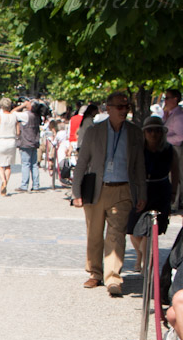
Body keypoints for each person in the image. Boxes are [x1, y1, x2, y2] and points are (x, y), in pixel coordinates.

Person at [72, 91, 146, 297]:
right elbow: (82, 163)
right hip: (97, 188)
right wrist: (76, 192)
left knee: (116, 235)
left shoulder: (134, 132)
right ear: (109, 108)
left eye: (127, 107)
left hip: (123, 189)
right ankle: (95, 272)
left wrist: (142, 192)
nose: (124, 111)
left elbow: (139, 165)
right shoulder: (94, 132)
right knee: (94, 234)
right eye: (120, 107)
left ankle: (113, 277)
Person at [128, 115, 178, 274]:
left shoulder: (169, 149)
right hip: (140, 190)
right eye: (149, 130)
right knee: (134, 229)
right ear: (144, 132)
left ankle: (147, 263)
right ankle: (139, 254)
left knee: (152, 231)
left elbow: (175, 172)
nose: (153, 134)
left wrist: (174, 191)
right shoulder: (137, 149)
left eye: (157, 130)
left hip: (161, 190)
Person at [15, 100, 43, 192]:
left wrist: (22, 105)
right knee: (34, 165)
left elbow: (12, 113)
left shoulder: (25, 115)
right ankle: (36, 185)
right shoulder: (37, 116)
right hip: (34, 142)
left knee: (26, 164)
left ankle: (24, 185)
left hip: (26, 142)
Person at [162, 89, 183, 209]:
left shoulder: (179, 116)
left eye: (167, 98)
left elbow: (180, 136)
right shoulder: (170, 114)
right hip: (169, 148)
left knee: (175, 175)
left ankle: (175, 202)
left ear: (175, 99)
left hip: (175, 148)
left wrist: (165, 140)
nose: (165, 101)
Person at [0, 98, 17, 196]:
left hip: (2, 141)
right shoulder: (14, 117)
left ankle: (3, 181)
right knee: (8, 166)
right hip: (11, 141)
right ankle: (6, 183)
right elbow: (18, 132)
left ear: (1, 107)